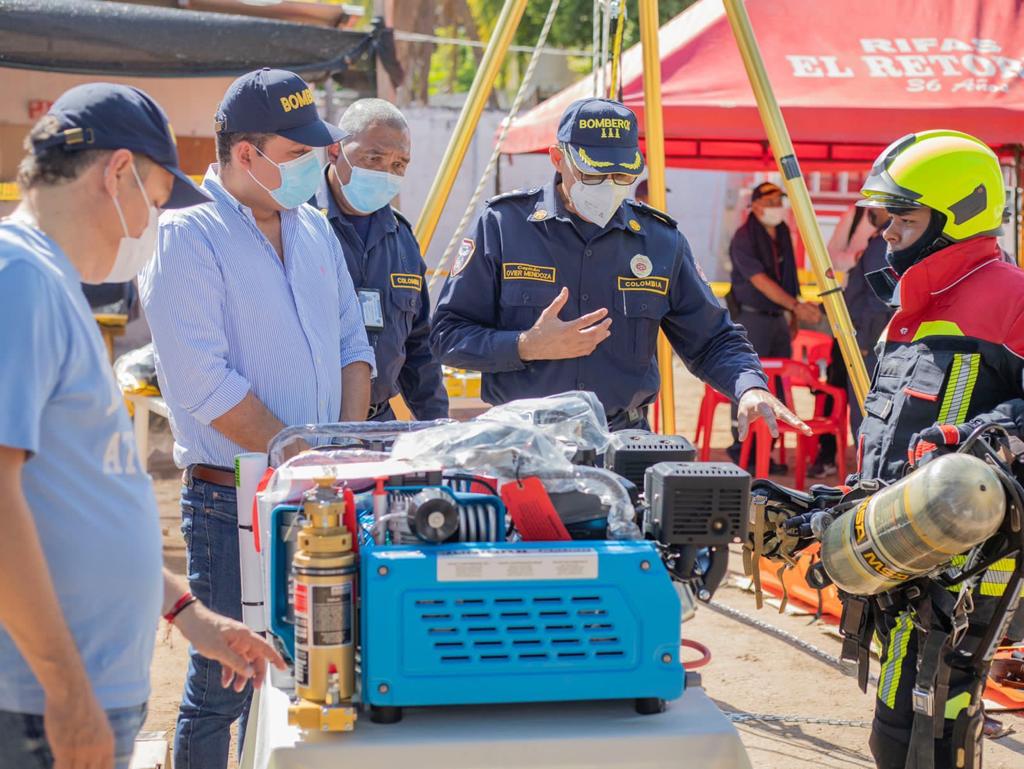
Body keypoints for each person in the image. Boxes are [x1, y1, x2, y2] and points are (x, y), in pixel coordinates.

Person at [0, 83, 284, 769]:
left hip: (64, 697)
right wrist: (67, 690)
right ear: (118, 172)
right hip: (42, 704)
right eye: (157, 199)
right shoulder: (20, 279)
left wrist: (190, 614)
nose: (156, 222)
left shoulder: (46, 283)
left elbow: (72, 500)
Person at [139, 69, 374, 769]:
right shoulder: (185, 237)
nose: (317, 165)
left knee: (320, 668)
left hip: (324, 492)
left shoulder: (314, 231)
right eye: (299, 152)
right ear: (247, 155)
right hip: (228, 496)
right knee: (223, 685)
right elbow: (205, 385)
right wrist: (298, 452)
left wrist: (341, 451)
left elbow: (352, 347)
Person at [430, 97, 806, 442]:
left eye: (622, 177)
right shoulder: (504, 226)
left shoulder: (660, 240)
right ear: (558, 159)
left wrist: (749, 386)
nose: (608, 188)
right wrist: (525, 346)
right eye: (594, 175)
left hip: (622, 439)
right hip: (523, 440)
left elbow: (712, 338)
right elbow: (447, 336)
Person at [848, 129, 1024, 769]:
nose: (888, 230)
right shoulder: (915, 297)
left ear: (959, 216)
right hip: (900, 542)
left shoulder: (1011, 297)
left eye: (904, 215)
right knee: (899, 722)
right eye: (885, 215)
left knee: (930, 720)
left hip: (968, 560)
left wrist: (985, 437)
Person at [313, 98, 448, 421]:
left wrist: (438, 426)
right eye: (373, 158)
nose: (386, 173)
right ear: (335, 151)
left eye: (399, 164)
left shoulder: (401, 239)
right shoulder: (296, 223)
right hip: (312, 423)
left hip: (380, 425)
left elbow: (418, 348)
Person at [726, 182, 822, 467]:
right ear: (754, 206)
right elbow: (760, 281)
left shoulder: (781, 234)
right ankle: (744, 450)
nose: (776, 207)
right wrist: (794, 306)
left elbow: (787, 278)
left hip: (777, 319)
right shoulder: (744, 238)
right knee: (749, 381)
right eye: (769, 202)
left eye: (779, 200)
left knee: (777, 387)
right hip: (752, 318)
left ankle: (767, 450)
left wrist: (791, 313)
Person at [809, 206, 894, 478]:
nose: (870, 210)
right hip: (860, 335)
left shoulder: (883, 244)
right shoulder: (878, 239)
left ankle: (870, 476)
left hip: (866, 341)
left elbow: (878, 301)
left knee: (865, 413)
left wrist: (866, 342)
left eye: (875, 204)